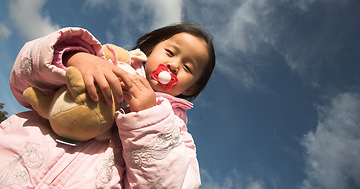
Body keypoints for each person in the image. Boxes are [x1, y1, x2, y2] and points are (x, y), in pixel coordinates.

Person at [0, 23, 216, 188]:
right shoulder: (105, 61)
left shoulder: (177, 135)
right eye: (170, 52)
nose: (174, 64)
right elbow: (22, 79)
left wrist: (150, 119)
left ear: (190, 89)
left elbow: (171, 183)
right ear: (150, 51)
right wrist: (75, 58)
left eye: (187, 67)